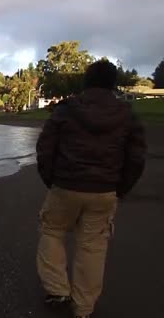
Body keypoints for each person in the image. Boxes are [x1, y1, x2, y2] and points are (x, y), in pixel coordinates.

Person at [35, 60, 147, 318]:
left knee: (52, 230)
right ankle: (83, 308)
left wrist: (51, 179)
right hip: (105, 191)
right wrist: (120, 188)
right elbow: (136, 158)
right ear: (113, 83)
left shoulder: (66, 109)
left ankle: (58, 289)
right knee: (93, 245)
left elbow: (45, 148)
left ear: (86, 81)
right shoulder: (126, 114)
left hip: (65, 185)